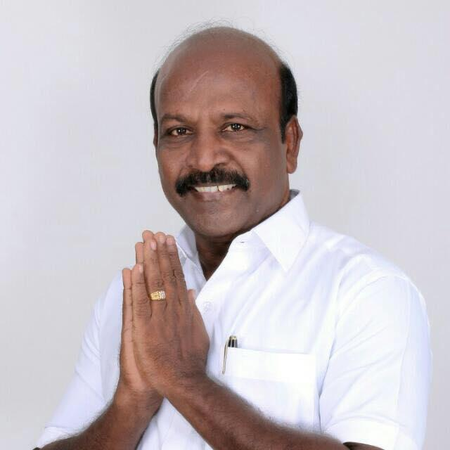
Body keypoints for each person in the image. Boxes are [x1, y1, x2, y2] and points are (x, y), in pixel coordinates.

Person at [35, 26, 431, 450]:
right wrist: (131, 403)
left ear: (290, 143)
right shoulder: (130, 294)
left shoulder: (367, 293)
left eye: (235, 126)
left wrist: (184, 381)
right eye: (179, 132)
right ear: (155, 146)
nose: (204, 159)